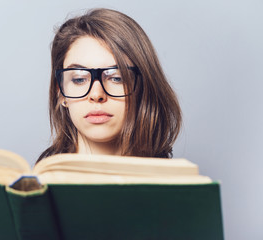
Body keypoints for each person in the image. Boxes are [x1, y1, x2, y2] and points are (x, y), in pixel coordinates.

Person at [37, 8, 181, 163]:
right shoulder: (41, 182)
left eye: (116, 78)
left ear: (143, 88)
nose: (96, 94)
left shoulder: (174, 183)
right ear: (61, 92)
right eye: (79, 79)